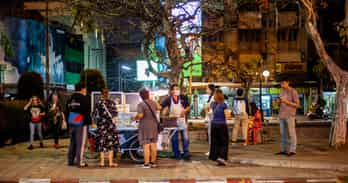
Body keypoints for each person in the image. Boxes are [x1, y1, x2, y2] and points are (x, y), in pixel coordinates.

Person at [161, 84, 190, 160]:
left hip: (182, 121)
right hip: (172, 121)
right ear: (171, 91)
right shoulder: (168, 99)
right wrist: (164, 112)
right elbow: (162, 107)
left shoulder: (183, 97)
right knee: (174, 138)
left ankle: (186, 153)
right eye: (175, 89)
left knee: (185, 138)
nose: (176, 90)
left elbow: (188, 106)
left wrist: (184, 111)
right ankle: (176, 153)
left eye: (178, 89)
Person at [133, 88, 161, 168]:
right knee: (153, 145)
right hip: (154, 126)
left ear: (141, 96)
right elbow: (160, 107)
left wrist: (134, 118)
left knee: (146, 146)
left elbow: (141, 115)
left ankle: (146, 164)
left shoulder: (141, 104)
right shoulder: (153, 102)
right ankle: (153, 163)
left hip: (145, 127)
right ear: (148, 95)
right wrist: (153, 101)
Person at [66, 83, 91, 168]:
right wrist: (90, 122)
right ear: (82, 89)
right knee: (81, 142)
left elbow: (67, 109)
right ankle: (80, 162)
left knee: (73, 141)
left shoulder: (70, 98)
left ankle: (70, 160)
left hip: (72, 118)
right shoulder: (84, 98)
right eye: (85, 89)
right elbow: (87, 111)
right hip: (81, 120)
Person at [93, 89, 119, 168]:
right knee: (110, 144)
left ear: (101, 94)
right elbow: (115, 115)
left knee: (102, 143)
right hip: (110, 126)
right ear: (108, 94)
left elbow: (94, 114)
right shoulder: (112, 103)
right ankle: (110, 163)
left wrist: (95, 123)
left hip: (101, 126)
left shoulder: (98, 103)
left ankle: (102, 163)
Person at [275, 77, 299, 156]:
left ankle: (293, 150)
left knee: (291, 133)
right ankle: (284, 149)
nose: (281, 84)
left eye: (283, 83)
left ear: (288, 82)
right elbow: (280, 103)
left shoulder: (293, 91)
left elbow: (297, 105)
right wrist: (278, 102)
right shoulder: (281, 91)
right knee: (283, 133)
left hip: (290, 115)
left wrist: (287, 102)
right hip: (282, 114)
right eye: (281, 83)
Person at [208, 89, 230, 166]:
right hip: (221, 125)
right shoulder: (224, 105)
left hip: (213, 125)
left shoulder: (212, 104)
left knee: (215, 142)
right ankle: (222, 157)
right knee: (224, 142)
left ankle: (216, 157)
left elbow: (209, 112)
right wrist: (229, 113)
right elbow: (227, 116)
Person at [204, 84, 217, 156]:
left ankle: (212, 151)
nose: (206, 90)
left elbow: (211, 109)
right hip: (210, 118)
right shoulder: (211, 97)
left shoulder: (213, 98)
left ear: (211, 89)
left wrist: (207, 110)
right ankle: (211, 150)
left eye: (207, 89)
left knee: (212, 136)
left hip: (212, 119)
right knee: (210, 135)